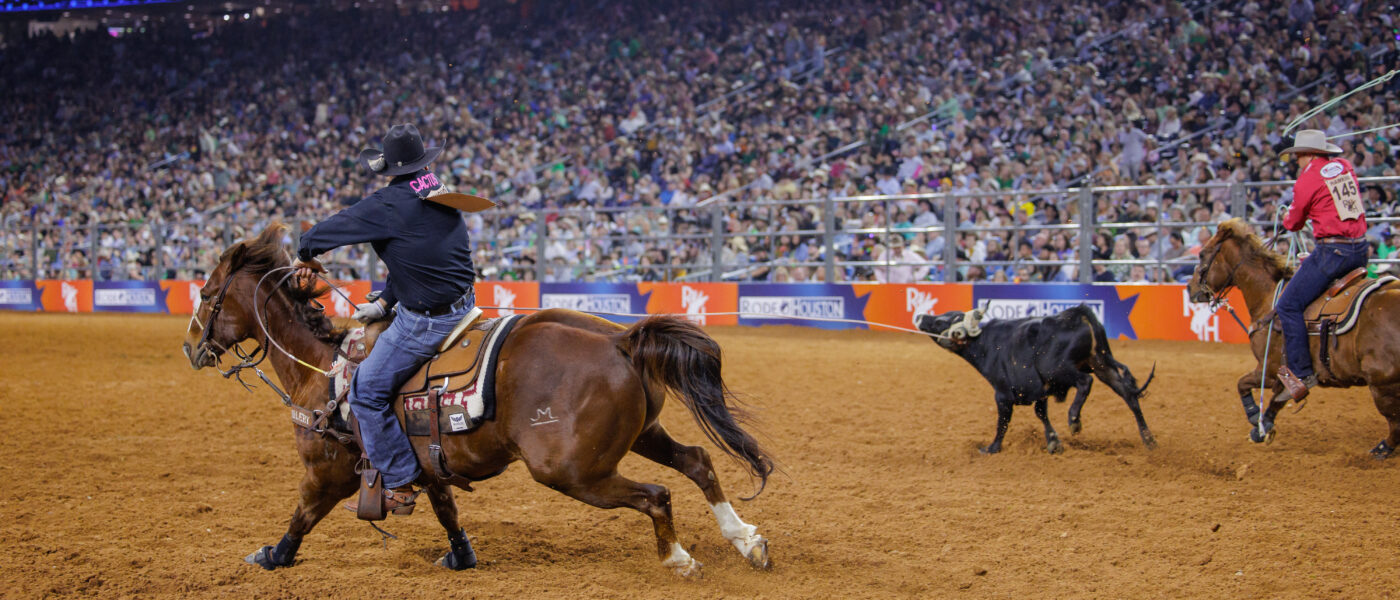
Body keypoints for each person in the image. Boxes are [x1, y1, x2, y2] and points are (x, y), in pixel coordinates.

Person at [293, 124, 477, 515]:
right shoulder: (438, 190)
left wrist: (304, 252)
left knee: (365, 391)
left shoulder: (389, 203)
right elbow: (421, 255)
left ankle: (398, 480)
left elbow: (326, 231)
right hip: (464, 305)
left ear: (390, 166)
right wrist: (387, 301)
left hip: (427, 320)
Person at [1274, 129, 1369, 403]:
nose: (1297, 161)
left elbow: (1293, 222)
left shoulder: (1307, 179)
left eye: (1298, 156)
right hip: (1359, 250)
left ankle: (1302, 372)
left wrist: (1287, 217)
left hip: (1333, 252)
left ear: (1307, 154)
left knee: (1288, 305)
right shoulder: (1345, 166)